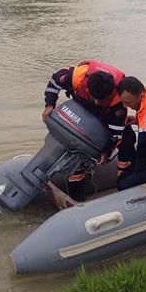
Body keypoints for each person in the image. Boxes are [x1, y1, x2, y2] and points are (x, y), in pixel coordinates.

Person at [43, 59, 127, 199]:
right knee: (70, 149)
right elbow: (55, 79)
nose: (98, 102)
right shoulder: (78, 76)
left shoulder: (118, 100)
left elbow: (116, 131)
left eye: (101, 99)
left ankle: (79, 195)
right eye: (96, 98)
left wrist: (106, 151)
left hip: (104, 117)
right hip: (80, 108)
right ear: (88, 88)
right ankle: (75, 192)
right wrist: (49, 104)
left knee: (125, 140)